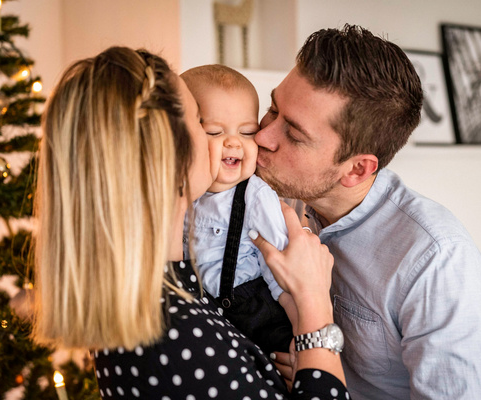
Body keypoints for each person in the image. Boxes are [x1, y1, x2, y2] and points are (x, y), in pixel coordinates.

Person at [31, 46, 349, 399]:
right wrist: (315, 308)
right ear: (169, 156)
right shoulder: (174, 337)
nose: (248, 139)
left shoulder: (159, 288)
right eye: (202, 122)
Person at [255, 25, 481, 399]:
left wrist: (315, 365)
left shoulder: (436, 261)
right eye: (273, 108)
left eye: (294, 134)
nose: (262, 136)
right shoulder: (272, 197)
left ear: (356, 169)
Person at [179, 64, 295, 354]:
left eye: (247, 132)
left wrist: (301, 336)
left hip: (257, 320)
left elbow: (282, 272)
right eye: (215, 132)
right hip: (204, 318)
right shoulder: (181, 195)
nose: (233, 142)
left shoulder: (255, 197)